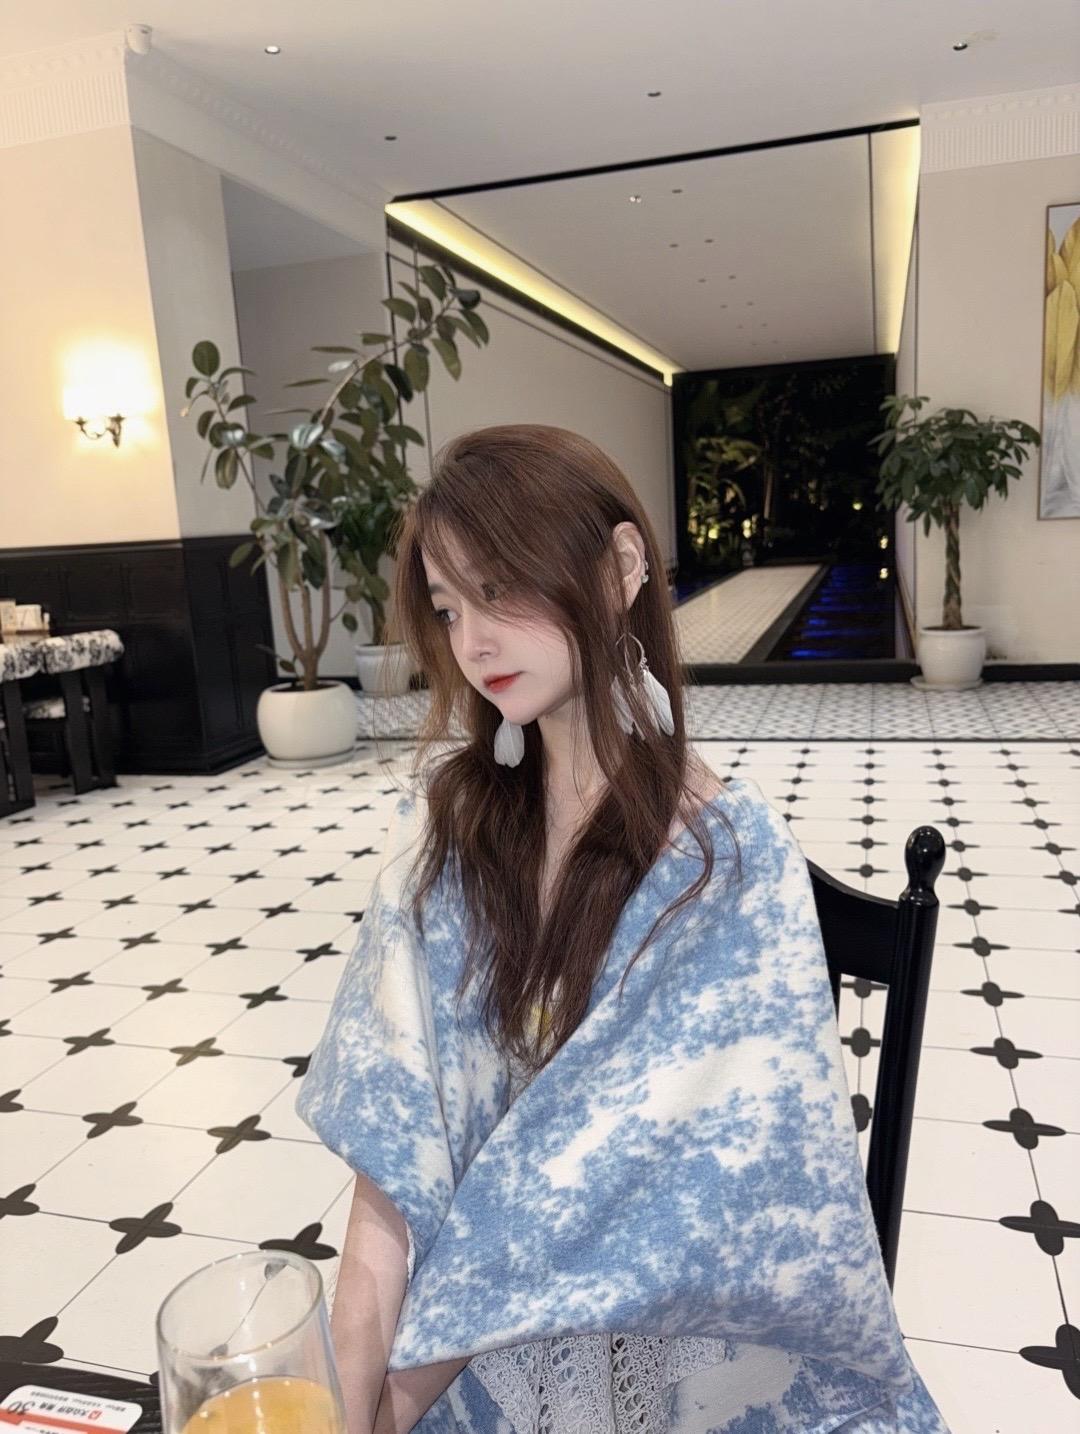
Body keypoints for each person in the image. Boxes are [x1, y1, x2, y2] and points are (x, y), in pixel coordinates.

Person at [297, 425, 951, 1433]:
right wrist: (357, 1399)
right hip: (480, 1337)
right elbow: (390, 1158)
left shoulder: (721, 860)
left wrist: (404, 1390)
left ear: (620, 570)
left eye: (500, 590)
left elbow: (702, 1206)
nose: (473, 642)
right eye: (449, 607)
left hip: (670, 1348)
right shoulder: (447, 832)